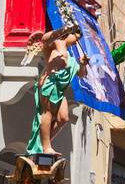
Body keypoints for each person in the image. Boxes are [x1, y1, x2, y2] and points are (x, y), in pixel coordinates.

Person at [26, 25, 90, 155]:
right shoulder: (56, 43)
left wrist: (83, 64)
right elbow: (44, 39)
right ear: (71, 33)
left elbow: (82, 74)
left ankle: (43, 141)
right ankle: (46, 147)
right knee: (47, 113)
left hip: (60, 90)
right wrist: (63, 30)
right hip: (50, 83)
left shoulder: (71, 58)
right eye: (77, 36)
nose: (77, 41)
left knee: (63, 118)